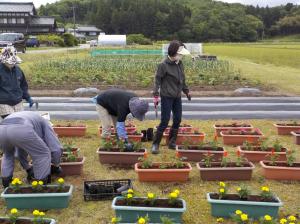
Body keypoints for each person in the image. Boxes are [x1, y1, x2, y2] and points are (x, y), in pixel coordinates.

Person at [0, 111, 63, 188]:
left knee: (8, 154)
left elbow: (20, 152)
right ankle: (40, 184)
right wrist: (56, 165)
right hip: (22, 128)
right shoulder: (46, 123)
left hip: (2, 128)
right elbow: (56, 148)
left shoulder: (34, 119)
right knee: (42, 154)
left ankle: (6, 183)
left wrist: (28, 168)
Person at [0, 46, 35, 181]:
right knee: (13, 131)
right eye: (10, 61)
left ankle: (25, 163)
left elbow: (23, 86)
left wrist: (28, 97)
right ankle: (8, 177)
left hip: (18, 103)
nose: (12, 63)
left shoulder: (18, 71)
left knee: (21, 132)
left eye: (13, 62)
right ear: (3, 60)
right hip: (4, 104)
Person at [151, 40, 191, 154]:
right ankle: (155, 144)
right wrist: (155, 94)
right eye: (180, 54)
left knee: (177, 119)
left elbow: (182, 79)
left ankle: (172, 141)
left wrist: (186, 91)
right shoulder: (163, 65)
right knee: (165, 120)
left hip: (177, 96)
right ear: (174, 52)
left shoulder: (180, 64)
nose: (182, 56)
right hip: (167, 96)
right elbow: (157, 81)